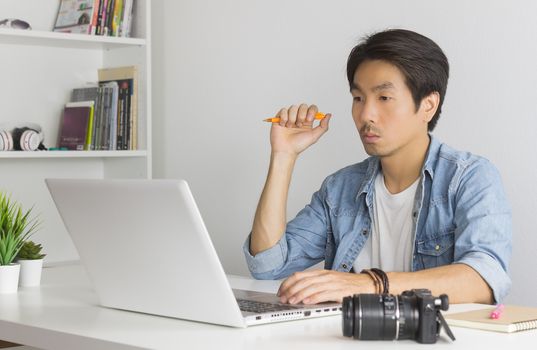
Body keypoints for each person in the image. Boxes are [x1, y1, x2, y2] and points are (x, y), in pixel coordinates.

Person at [243, 29, 511, 305]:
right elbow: (267, 266)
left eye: (384, 98)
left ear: (428, 105)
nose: (365, 114)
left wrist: (369, 283)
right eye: (358, 98)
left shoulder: (470, 177)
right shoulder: (340, 188)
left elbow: (485, 278)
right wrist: (283, 156)